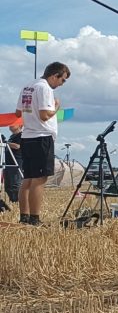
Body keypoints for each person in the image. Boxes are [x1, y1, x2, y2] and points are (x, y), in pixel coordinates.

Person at [14, 62, 70, 225]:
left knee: (28, 179)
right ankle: (34, 218)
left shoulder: (28, 86)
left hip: (28, 136)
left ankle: (24, 217)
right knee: (40, 179)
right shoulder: (45, 88)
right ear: (54, 75)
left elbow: (18, 112)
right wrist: (57, 106)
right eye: (62, 80)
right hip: (42, 136)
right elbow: (45, 115)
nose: (61, 84)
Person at [3, 124, 23, 203]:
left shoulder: (21, 135)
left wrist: (6, 143)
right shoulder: (11, 137)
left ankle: (17, 201)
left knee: (15, 184)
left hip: (16, 163)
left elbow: (18, 146)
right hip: (8, 163)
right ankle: (12, 200)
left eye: (13, 124)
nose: (10, 126)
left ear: (20, 125)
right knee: (8, 185)